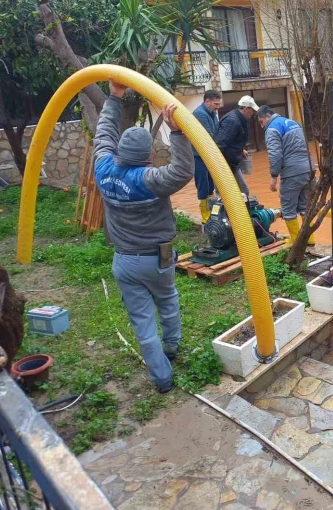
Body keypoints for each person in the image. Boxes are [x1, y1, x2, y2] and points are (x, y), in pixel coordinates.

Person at [93, 80, 194, 393]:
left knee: (142, 321)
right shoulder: (149, 180)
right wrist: (177, 132)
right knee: (167, 299)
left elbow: (102, 136)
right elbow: (182, 172)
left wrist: (114, 96)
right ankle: (173, 347)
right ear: (148, 156)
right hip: (157, 257)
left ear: (121, 151)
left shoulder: (103, 168)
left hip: (124, 261)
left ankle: (162, 379)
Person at [257, 105, 315, 246]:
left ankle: (295, 242)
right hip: (309, 169)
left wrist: (273, 176)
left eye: (261, 122)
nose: (261, 126)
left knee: (288, 208)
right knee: (305, 206)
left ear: (267, 116)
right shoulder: (292, 123)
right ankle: (310, 240)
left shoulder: (272, 129)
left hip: (292, 172)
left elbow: (275, 155)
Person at [214, 95, 258, 197]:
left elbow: (232, 139)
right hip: (225, 164)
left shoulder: (239, 119)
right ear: (246, 108)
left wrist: (241, 149)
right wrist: (220, 167)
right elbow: (220, 143)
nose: (253, 113)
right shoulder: (232, 121)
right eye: (252, 110)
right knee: (240, 192)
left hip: (232, 163)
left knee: (242, 192)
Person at [192, 90, 221, 224]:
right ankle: (205, 218)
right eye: (215, 104)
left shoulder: (212, 113)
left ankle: (211, 214)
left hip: (208, 155)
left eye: (218, 104)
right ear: (207, 101)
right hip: (198, 156)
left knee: (210, 186)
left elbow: (217, 131)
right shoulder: (200, 114)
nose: (217, 106)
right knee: (203, 186)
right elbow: (210, 136)